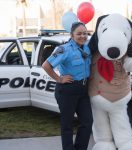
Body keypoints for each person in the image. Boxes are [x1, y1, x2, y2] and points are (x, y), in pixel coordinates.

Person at [42, 22, 93, 150]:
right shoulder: (64, 49)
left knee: (87, 122)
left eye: (85, 33)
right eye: (79, 34)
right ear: (72, 35)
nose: (82, 36)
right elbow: (46, 65)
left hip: (83, 89)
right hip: (67, 90)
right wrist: (59, 79)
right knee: (67, 125)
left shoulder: (86, 48)